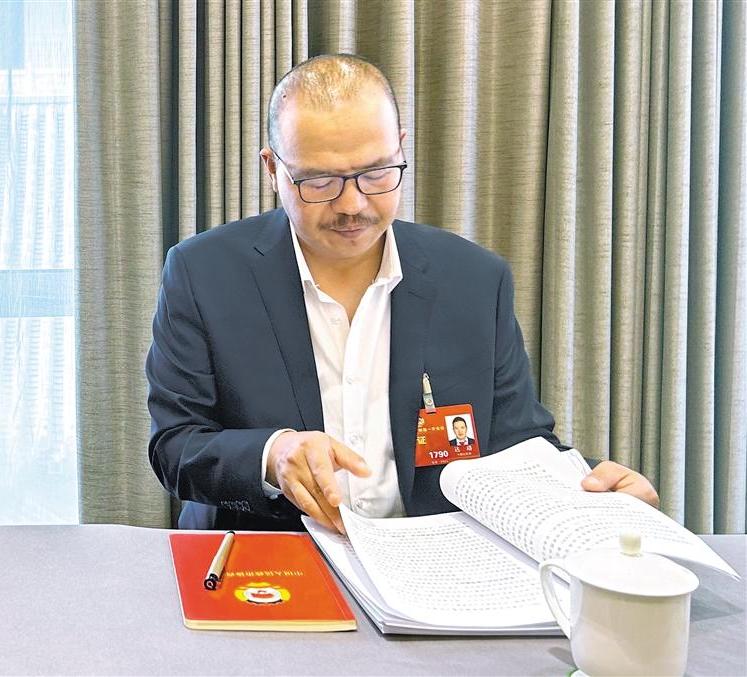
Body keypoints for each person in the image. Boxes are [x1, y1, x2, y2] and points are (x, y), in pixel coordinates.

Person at [146, 54, 659, 533]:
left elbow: (516, 444)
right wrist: (270, 455)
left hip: (429, 558)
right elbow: (175, 446)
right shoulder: (203, 273)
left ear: (401, 148)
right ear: (273, 170)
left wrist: (593, 487)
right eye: (319, 181)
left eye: (376, 173)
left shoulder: (475, 280)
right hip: (270, 557)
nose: (352, 204)